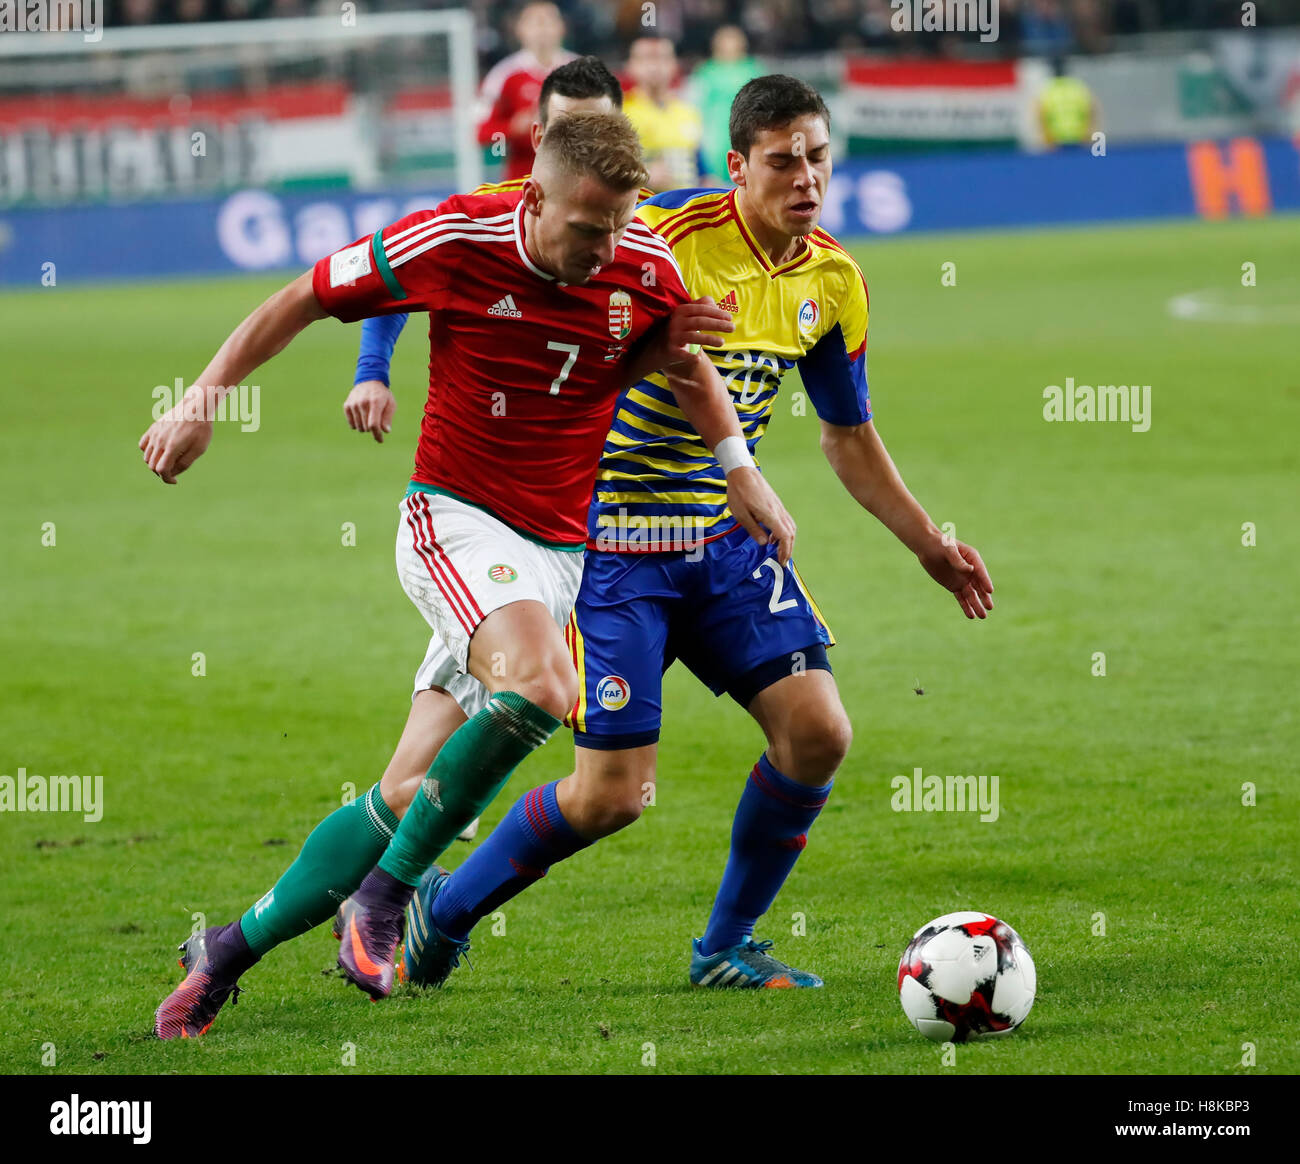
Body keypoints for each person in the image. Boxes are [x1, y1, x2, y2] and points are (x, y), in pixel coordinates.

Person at [148, 110, 796, 1036]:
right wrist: (200, 404)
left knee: (412, 796)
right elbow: (300, 297)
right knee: (542, 684)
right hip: (454, 517)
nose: (606, 246)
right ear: (535, 198)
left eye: (621, 224)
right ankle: (384, 902)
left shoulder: (642, 261)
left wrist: (740, 469)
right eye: (586, 228)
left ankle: (226, 951)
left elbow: (679, 360)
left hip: (555, 555)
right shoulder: (455, 238)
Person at [380, 76, 995, 993]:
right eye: (782, 161)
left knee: (818, 733)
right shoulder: (656, 237)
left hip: (721, 540)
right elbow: (538, 296)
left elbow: (848, 435)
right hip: (610, 542)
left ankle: (723, 949)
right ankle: (447, 905)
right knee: (611, 797)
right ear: (737, 165)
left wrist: (929, 546)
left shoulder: (832, 282)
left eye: (819, 158)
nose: (806, 179)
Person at [348, 54, 646, 847]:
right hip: (492, 522)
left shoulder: (632, 236)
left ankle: (349, 900)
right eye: (562, 128)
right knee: (524, 722)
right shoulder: (476, 220)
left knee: (426, 775)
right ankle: (388, 899)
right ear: (538, 133)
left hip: (570, 529)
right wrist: (372, 371)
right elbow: (389, 282)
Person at [476, 1, 576, 181]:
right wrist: (514, 127)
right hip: (522, 179)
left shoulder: (582, 71)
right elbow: (482, 133)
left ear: (562, 27)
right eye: (535, 22)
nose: (542, 29)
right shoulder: (503, 75)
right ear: (519, 29)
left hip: (573, 176)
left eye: (548, 21)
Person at [622, 36, 704, 192]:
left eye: (662, 58)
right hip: (643, 208)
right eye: (646, 59)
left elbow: (700, 165)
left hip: (686, 208)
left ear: (675, 64)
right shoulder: (621, 113)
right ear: (630, 66)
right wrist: (642, 173)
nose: (654, 67)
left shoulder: (688, 112)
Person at [689, 25, 762, 184]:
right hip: (714, 137)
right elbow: (694, 106)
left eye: (733, 40)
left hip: (747, 133)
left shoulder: (754, 70)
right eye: (725, 40)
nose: (729, 45)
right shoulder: (706, 72)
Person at [1037, 57, 1098, 149]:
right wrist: (1089, 132)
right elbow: (1091, 111)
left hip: (1056, 140)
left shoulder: (1047, 89)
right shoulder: (1078, 87)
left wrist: (1046, 136)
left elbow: (1040, 115)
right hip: (1079, 136)